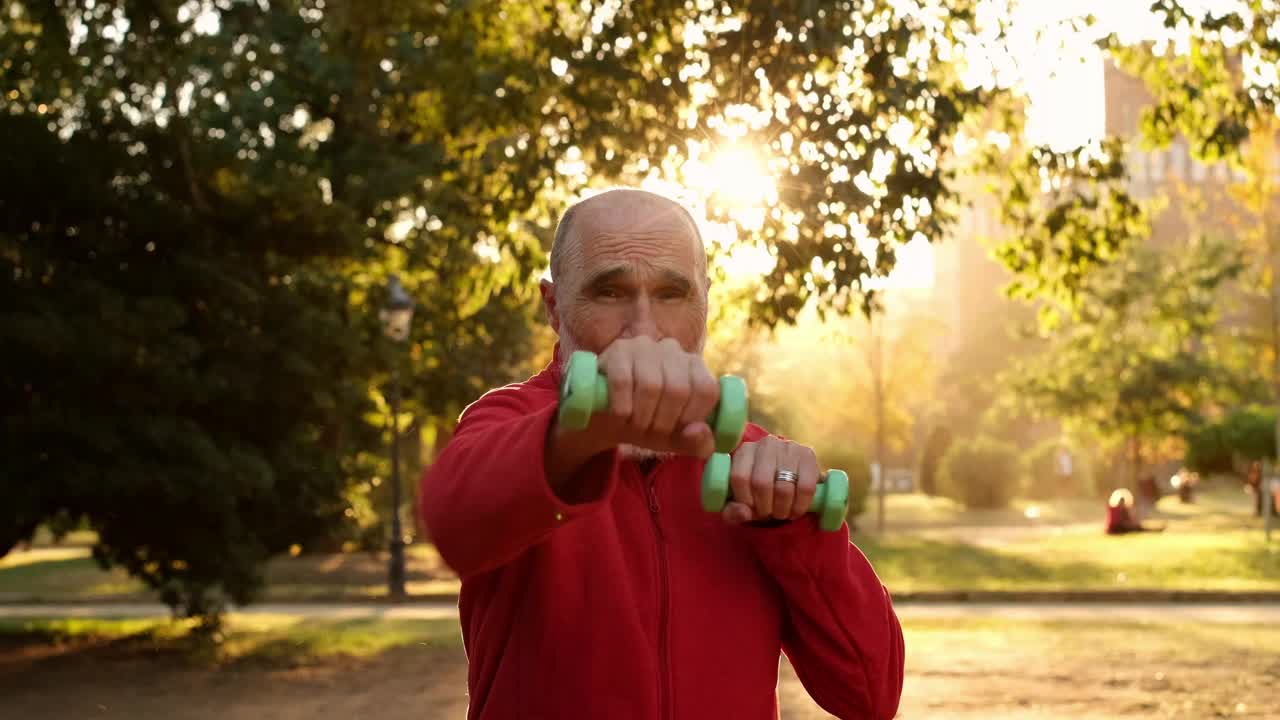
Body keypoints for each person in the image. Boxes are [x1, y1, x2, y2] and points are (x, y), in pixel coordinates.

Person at [418, 188, 904, 720]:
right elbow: (453, 521)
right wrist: (582, 435)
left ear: (705, 303)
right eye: (610, 292)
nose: (645, 330)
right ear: (555, 307)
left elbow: (870, 695)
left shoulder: (750, 461)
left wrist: (794, 533)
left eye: (672, 294)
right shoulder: (509, 423)